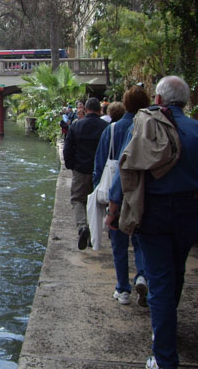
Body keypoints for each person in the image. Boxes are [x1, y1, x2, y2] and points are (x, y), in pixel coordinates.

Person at [107, 76, 198, 369]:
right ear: (186, 101)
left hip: (153, 211)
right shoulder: (196, 130)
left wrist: (113, 208)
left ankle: (164, 356)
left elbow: (127, 167)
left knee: (159, 279)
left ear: (158, 100)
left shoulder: (144, 126)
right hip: (189, 211)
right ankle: (166, 326)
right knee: (177, 270)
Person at [93, 86, 150, 306]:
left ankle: (122, 289)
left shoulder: (113, 129)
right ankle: (142, 276)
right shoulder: (150, 127)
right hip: (141, 193)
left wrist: (99, 191)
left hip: (117, 193)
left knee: (119, 244)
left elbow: (100, 164)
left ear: (125, 104)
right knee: (141, 241)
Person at [63, 97, 108, 250]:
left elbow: (67, 149)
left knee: (77, 199)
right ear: (99, 110)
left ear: (85, 109)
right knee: (98, 203)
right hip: (100, 171)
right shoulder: (105, 127)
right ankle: (94, 236)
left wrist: (71, 165)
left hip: (81, 169)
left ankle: (82, 226)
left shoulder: (76, 126)